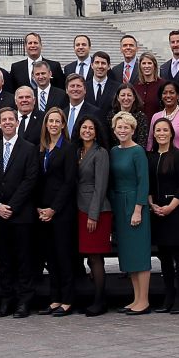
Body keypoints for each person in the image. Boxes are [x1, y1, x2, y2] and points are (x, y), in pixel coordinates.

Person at [0, 107, 39, 318]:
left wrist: (12, 206)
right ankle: (6, 300)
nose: (8, 122)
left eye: (12, 119)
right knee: (5, 260)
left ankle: (24, 301)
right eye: (4, 120)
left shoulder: (29, 148)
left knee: (24, 260)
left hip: (21, 215)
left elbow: (31, 180)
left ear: (17, 123)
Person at [33, 108, 77, 316]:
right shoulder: (40, 148)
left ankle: (67, 300)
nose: (53, 124)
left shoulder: (68, 148)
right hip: (43, 211)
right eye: (50, 121)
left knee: (63, 256)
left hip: (61, 211)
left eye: (57, 121)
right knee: (50, 257)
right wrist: (40, 207)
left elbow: (69, 183)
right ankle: (54, 298)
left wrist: (53, 209)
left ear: (62, 125)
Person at [110, 111, 152, 314]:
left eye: (127, 127)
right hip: (119, 204)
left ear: (133, 130)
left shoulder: (138, 152)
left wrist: (138, 210)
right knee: (128, 255)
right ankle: (136, 298)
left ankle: (144, 300)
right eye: (119, 127)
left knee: (140, 254)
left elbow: (143, 182)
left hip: (134, 205)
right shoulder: (113, 151)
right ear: (114, 129)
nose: (123, 130)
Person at [149, 117, 179, 314]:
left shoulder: (178, 156)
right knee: (163, 256)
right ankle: (168, 295)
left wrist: (170, 207)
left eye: (165, 130)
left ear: (171, 133)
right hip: (156, 210)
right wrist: (152, 204)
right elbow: (148, 184)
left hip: (175, 210)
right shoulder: (151, 156)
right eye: (158, 130)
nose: (161, 133)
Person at [74, 116, 111, 316]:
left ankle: (100, 300)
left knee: (96, 258)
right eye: (84, 127)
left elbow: (101, 186)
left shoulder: (101, 153)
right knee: (87, 257)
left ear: (96, 132)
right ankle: (90, 298)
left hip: (95, 211)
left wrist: (93, 215)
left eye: (91, 128)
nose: (87, 130)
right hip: (79, 209)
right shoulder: (78, 151)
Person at [149, 80, 179, 150]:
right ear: (161, 96)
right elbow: (150, 140)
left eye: (172, 92)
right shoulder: (156, 116)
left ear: (178, 96)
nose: (168, 95)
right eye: (164, 93)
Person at [134, 52, 164, 119]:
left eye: (149, 63)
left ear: (154, 65)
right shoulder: (136, 86)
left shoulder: (163, 85)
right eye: (144, 63)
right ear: (140, 66)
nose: (146, 66)